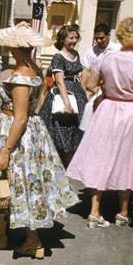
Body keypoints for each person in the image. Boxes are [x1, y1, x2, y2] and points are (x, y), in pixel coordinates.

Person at [0, 22, 79, 259]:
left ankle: (25, 238)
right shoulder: (35, 67)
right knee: (23, 183)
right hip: (32, 131)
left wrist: (6, 149)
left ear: (14, 47)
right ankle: (7, 234)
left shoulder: (21, 75)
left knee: (5, 180)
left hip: (15, 131)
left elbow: (20, 117)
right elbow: (36, 106)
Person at [66, 17, 133, 228]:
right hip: (131, 111)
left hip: (107, 108)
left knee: (101, 156)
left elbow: (90, 84)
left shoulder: (107, 59)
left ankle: (94, 211)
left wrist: (107, 89)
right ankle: (123, 212)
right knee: (128, 158)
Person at [39, 24, 88, 167]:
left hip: (77, 94)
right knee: (61, 131)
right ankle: (57, 165)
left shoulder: (76, 54)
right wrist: (67, 103)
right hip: (64, 96)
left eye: (76, 37)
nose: (74, 41)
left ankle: (70, 166)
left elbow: (80, 75)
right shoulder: (58, 57)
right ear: (63, 39)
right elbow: (60, 82)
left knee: (74, 131)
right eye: (70, 38)